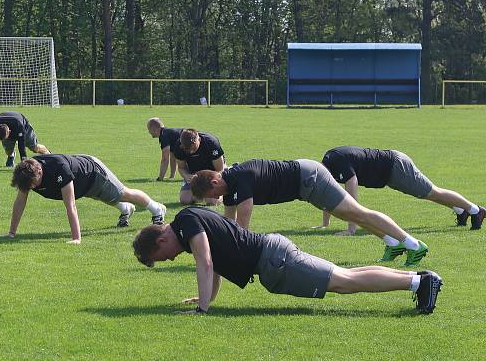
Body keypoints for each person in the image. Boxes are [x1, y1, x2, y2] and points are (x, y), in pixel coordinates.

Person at [132, 207, 443, 314]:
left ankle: (419, 282)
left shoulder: (186, 223)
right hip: (273, 256)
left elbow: (207, 263)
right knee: (344, 275)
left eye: (161, 257)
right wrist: (204, 298)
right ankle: (418, 278)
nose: (169, 258)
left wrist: (202, 309)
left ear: (160, 241)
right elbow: (214, 267)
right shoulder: (188, 227)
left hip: (275, 260)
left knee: (344, 284)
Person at [190, 160, 430, 266]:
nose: (216, 199)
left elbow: (243, 220)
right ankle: (392, 243)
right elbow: (228, 223)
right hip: (305, 183)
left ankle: (413, 243)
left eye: (213, 195)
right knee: (351, 215)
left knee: (359, 213)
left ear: (214, 182)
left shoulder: (238, 179)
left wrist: (237, 252)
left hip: (310, 179)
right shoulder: (229, 185)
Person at [317, 146, 486, 233]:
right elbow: (332, 194)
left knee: (432, 192)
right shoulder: (328, 162)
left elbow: (350, 187)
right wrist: (325, 224)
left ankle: (475, 210)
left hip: (396, 167)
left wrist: (351, 227)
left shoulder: (336, 162)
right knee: (427, 194)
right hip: (390, 173)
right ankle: (461, 210)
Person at [4, 154, 168, 243]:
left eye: (34, 184)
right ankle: (125, 209)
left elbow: (71, 206)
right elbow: (20, 203)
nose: (32, 188)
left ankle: (156, 208)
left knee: (122, 193)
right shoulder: (27, 174)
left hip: (93, 173)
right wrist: (11, 233)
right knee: (103, 197)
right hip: (83, 184)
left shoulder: (59, 169)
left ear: (40, 172)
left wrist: (76, 238)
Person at [171, 129, 225, 205]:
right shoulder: (179, 146)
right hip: (194, 174)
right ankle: (201, 193)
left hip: (212, 173)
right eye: (187, 149)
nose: (191, 152)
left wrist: (209, 181)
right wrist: (187, 176)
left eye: (193, 148)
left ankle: (223, 191)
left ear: (198, 139)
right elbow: (181, 167)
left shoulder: (211, 143)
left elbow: (219, 169)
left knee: (212, 202)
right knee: (185, 200)